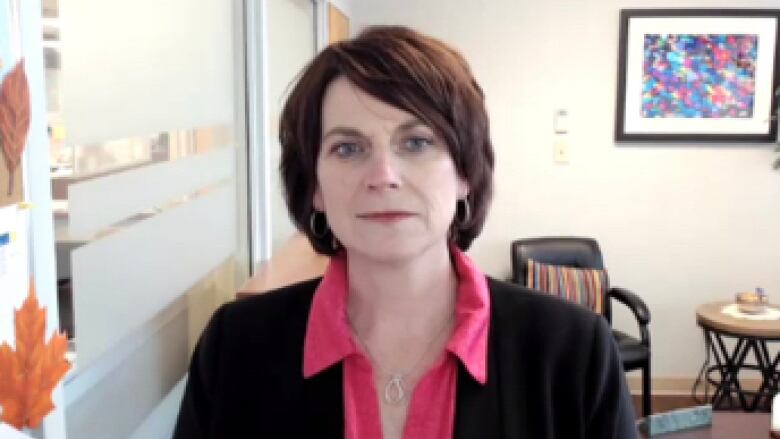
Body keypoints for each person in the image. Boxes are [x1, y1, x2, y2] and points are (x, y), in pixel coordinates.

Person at [173, 26, 637, 439]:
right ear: (314, 186)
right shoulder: (235, 347)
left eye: (417, 143)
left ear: (465, 175)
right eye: (348, 148)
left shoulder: (573, 352)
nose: (384, 175)